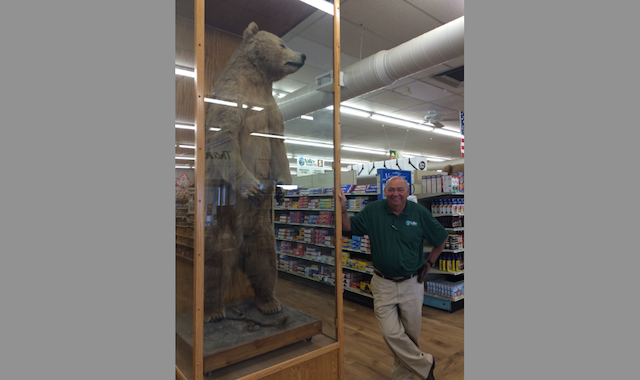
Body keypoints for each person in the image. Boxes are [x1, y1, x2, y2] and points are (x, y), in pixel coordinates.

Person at [338, 176, 448, 380]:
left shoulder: (419, 213)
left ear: (408, 192)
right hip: (383, 283)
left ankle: (403, 377)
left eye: (400, 190)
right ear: (385, 191)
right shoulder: (373, 211)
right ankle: (426, 364)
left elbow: (441, 238)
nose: (395, 194)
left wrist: (430, 262)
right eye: (391, 190)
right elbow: (348, 228)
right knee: (391, 334)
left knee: (410, 337)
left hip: (412, 284)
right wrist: (343, 208)